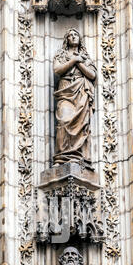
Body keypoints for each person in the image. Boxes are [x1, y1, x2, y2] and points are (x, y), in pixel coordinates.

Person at [53, 28, 97, 167]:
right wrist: (73, 60)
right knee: (64, 120)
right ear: (66, 39)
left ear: (80, 38)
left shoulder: (85, 57)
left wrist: (79, 61)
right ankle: (61, 157)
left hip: (81, 91)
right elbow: (57, 70)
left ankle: (78, 157)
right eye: (70, 35)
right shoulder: (61, 55)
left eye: (75, 34)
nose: (73, 37)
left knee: (81, 124)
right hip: (65, 89)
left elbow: (92, 75)